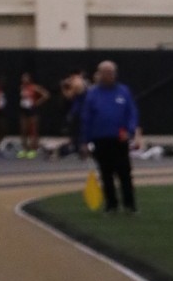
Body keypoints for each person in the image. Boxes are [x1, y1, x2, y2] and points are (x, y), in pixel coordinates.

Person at [80, 60, 139, 213]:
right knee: (106, 173)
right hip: (100, 139)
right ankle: (111, 205)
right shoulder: (92, 94)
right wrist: (85, 141)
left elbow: (132, 113)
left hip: (120, 139)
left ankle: (129, 204)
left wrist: (130, 130)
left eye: (111, 73)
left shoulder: (124, 91)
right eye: (105, 73)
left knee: (124, 172)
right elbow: (86, 118)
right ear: (99, 74)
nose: (109, 76)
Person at [17, 72, 49, 158]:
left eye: (26, 78)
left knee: (33, 130)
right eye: (23, 78)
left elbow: (46, 95)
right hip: (23, 110)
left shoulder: (34, 87)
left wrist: (37, 102)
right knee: (23, 130)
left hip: (32, 110)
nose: (24, 79)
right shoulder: (22, 87)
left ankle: (33, 149)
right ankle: (24, 149)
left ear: (29, 79)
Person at [60, 69, 90, 157]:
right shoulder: (85, 82)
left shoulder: (77, 82)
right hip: (85, 110)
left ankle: (78, 148)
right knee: (81, 130)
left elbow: (69, 96)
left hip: (78, 110)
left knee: (75, 131)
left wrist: (63, 87)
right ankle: (81, 148)